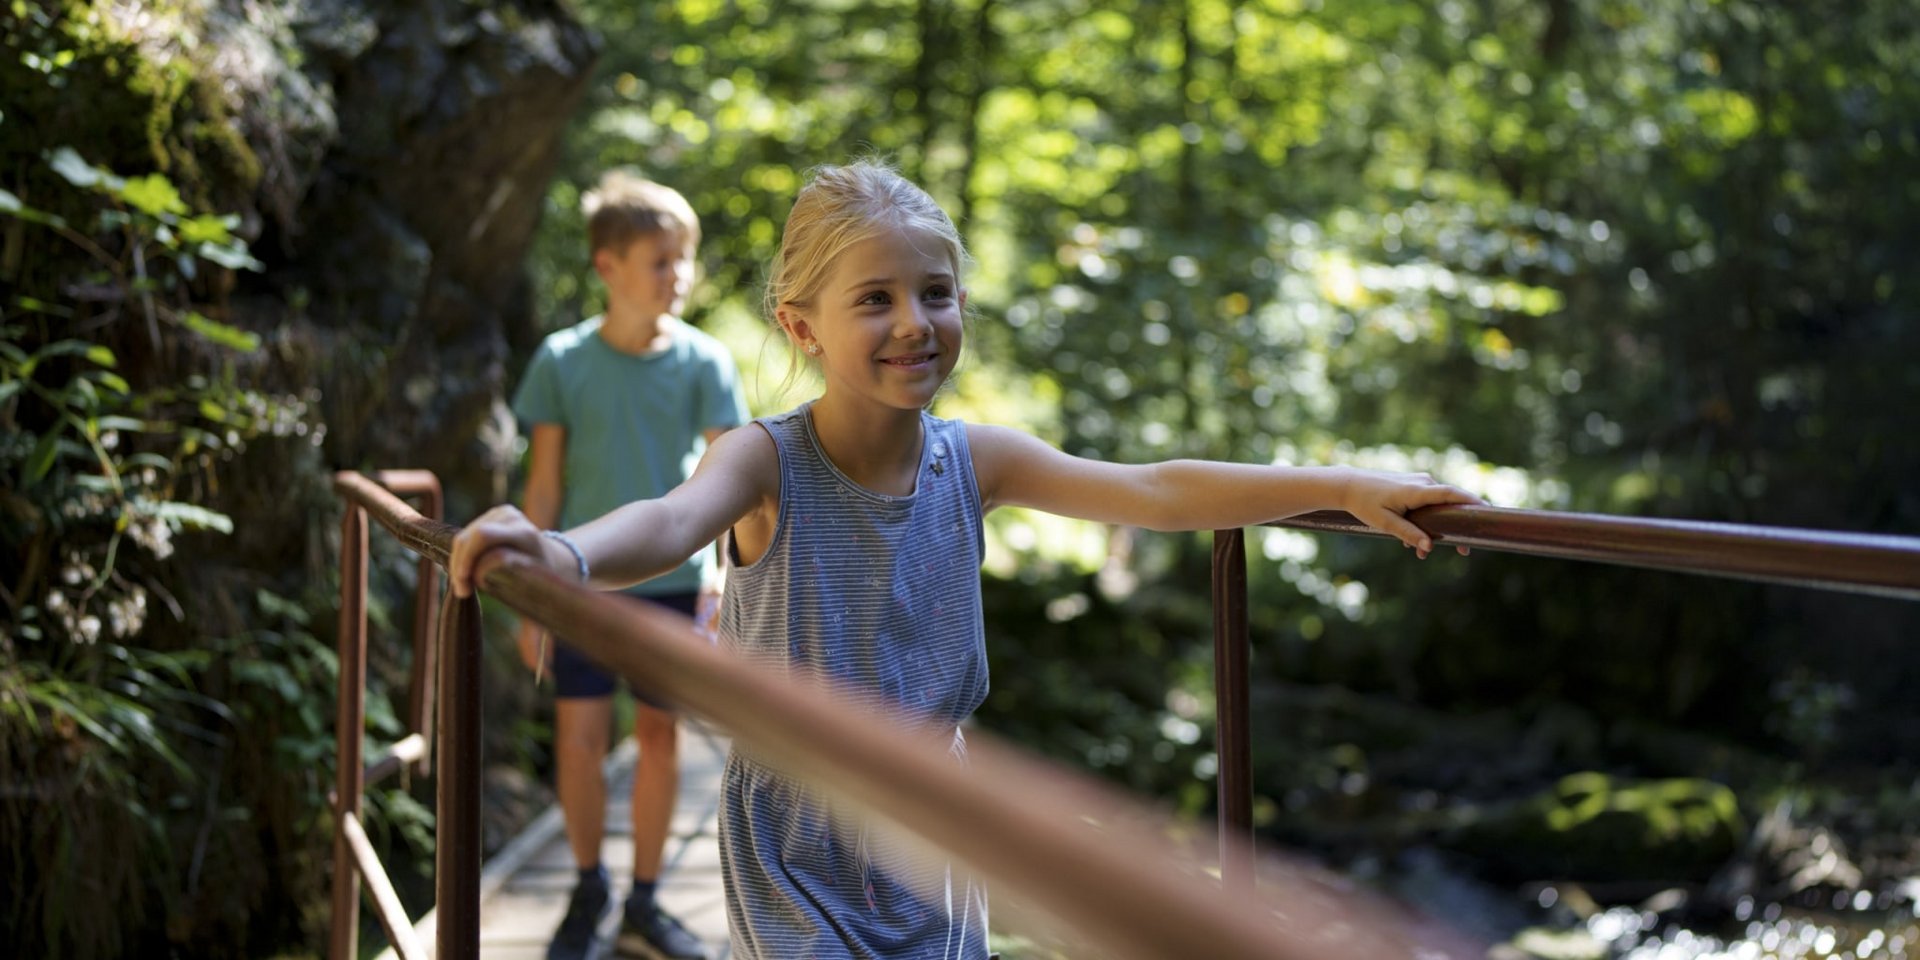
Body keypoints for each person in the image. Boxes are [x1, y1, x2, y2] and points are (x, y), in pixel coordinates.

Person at [454, 159, 1478, 960]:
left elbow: (1154, 488)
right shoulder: (764, 459)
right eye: (875, 300)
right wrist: (556, 552)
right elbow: (668, 523)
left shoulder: (973, 458)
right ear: (800, 325)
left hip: (937, 827)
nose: (914, 323)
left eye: (934, 293)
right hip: (799, 835)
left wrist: (1337, 486)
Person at [509, 170, 747, 960]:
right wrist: (529, 600)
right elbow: (542, 485)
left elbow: (731, 491)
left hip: (675, 586)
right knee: (578, 739)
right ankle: (588, 887)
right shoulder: (561, 360)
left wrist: (720, 584)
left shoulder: (706, 363)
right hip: (580, 586)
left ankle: (646, 901)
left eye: (684, 259)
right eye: (660, 260)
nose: (678, 275)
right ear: (607, 266)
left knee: (658, 737)